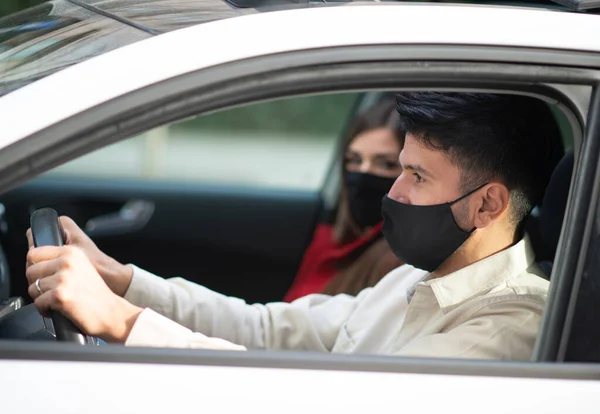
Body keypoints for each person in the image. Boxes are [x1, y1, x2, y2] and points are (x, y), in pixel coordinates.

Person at [25, 92, 559, 359]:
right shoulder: (428, 276)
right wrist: (124, 282)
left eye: (417, 176)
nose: (393, 192)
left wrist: (121, 322)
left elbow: (322, 404)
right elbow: (272, 331)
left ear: (487, 205)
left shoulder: (507, 329)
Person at [284, 99, 403, 301]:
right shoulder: (328, 238)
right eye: (354, 160)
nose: (364, 173)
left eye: (386, 164)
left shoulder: (400, 262)